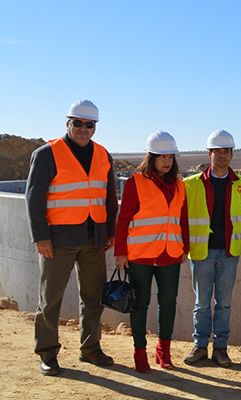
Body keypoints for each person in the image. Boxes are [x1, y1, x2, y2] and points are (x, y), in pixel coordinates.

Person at [26, 99, 117, 376]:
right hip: (58, 239)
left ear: (95, 127)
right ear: (68, 123)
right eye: (78, 123)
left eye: (89, 124)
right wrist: (41, 237)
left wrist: (110, 231)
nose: (83, 128)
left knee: (93, 297)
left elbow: (109, 197)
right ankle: (47, 353)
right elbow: (34, 197)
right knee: (50, 298)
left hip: (94, 238)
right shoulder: (47, 153)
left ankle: (90, 348)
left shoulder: (103, 155)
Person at [115, 131, 189, 373]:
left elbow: (182, 219)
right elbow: (123, 219)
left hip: (170, 254)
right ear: (151, 157)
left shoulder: (179, 184)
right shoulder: (136, 183)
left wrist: (184, 248)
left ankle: (163, 352)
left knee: (168, 303)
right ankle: (139, 352)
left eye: (170, 156)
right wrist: (120, 252)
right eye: (161, 157)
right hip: (141, 255)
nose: (167, 161)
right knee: (140, 303)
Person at [183, 130, 241, 367]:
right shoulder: (191, 184)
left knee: (224, 303)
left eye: (226, 151)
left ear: (231, 154)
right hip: (202, 253)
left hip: (229, 253)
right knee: (201, 303)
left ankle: (220, 348)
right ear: (208, 154)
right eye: (216, 151)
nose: (221, 156)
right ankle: (200, 346)